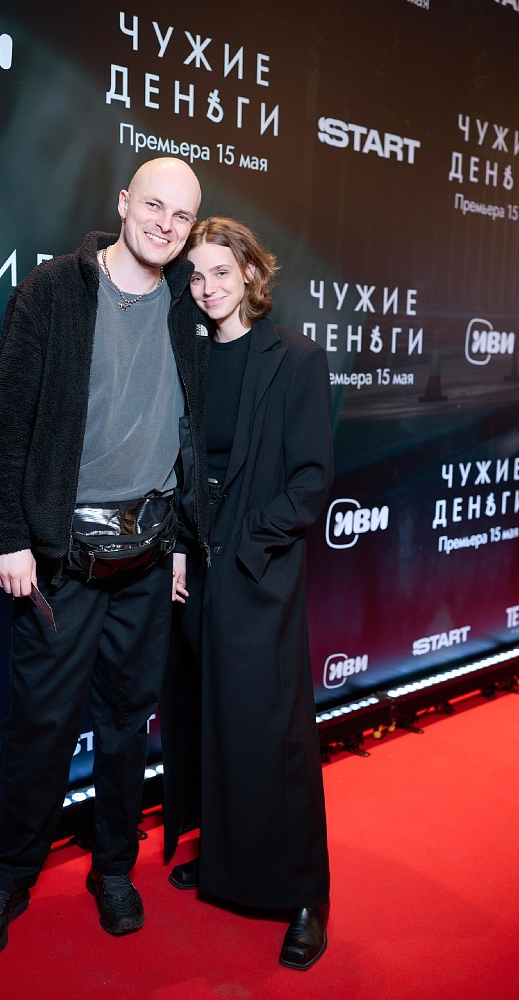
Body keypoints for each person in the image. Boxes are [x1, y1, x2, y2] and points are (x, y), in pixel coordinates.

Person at [0, 157, 210, 958]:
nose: (164, 225)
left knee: (126, 726)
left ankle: (112, 871)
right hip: (60, 559)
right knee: (39, 726)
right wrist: (6, 536)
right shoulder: (53, 291)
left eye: (181, 216)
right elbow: (5, 423)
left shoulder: (188, 302)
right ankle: (7, 880)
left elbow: (195, 433)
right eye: (154, 206)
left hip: (149, 557)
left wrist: (181, 542)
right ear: (124, 203)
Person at [161, 217, 333, 970]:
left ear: (251, 274)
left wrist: (248, 545)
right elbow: (179, 465)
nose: (208, 288)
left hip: (258, 570)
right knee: (213, 720)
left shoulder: (294, 358)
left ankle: (304, 894)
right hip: (197, 567)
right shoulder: (191, 360)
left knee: (275, 732)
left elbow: (310, 483)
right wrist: (179, 547)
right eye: (196, 275)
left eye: (221, 272)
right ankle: (227, 859)